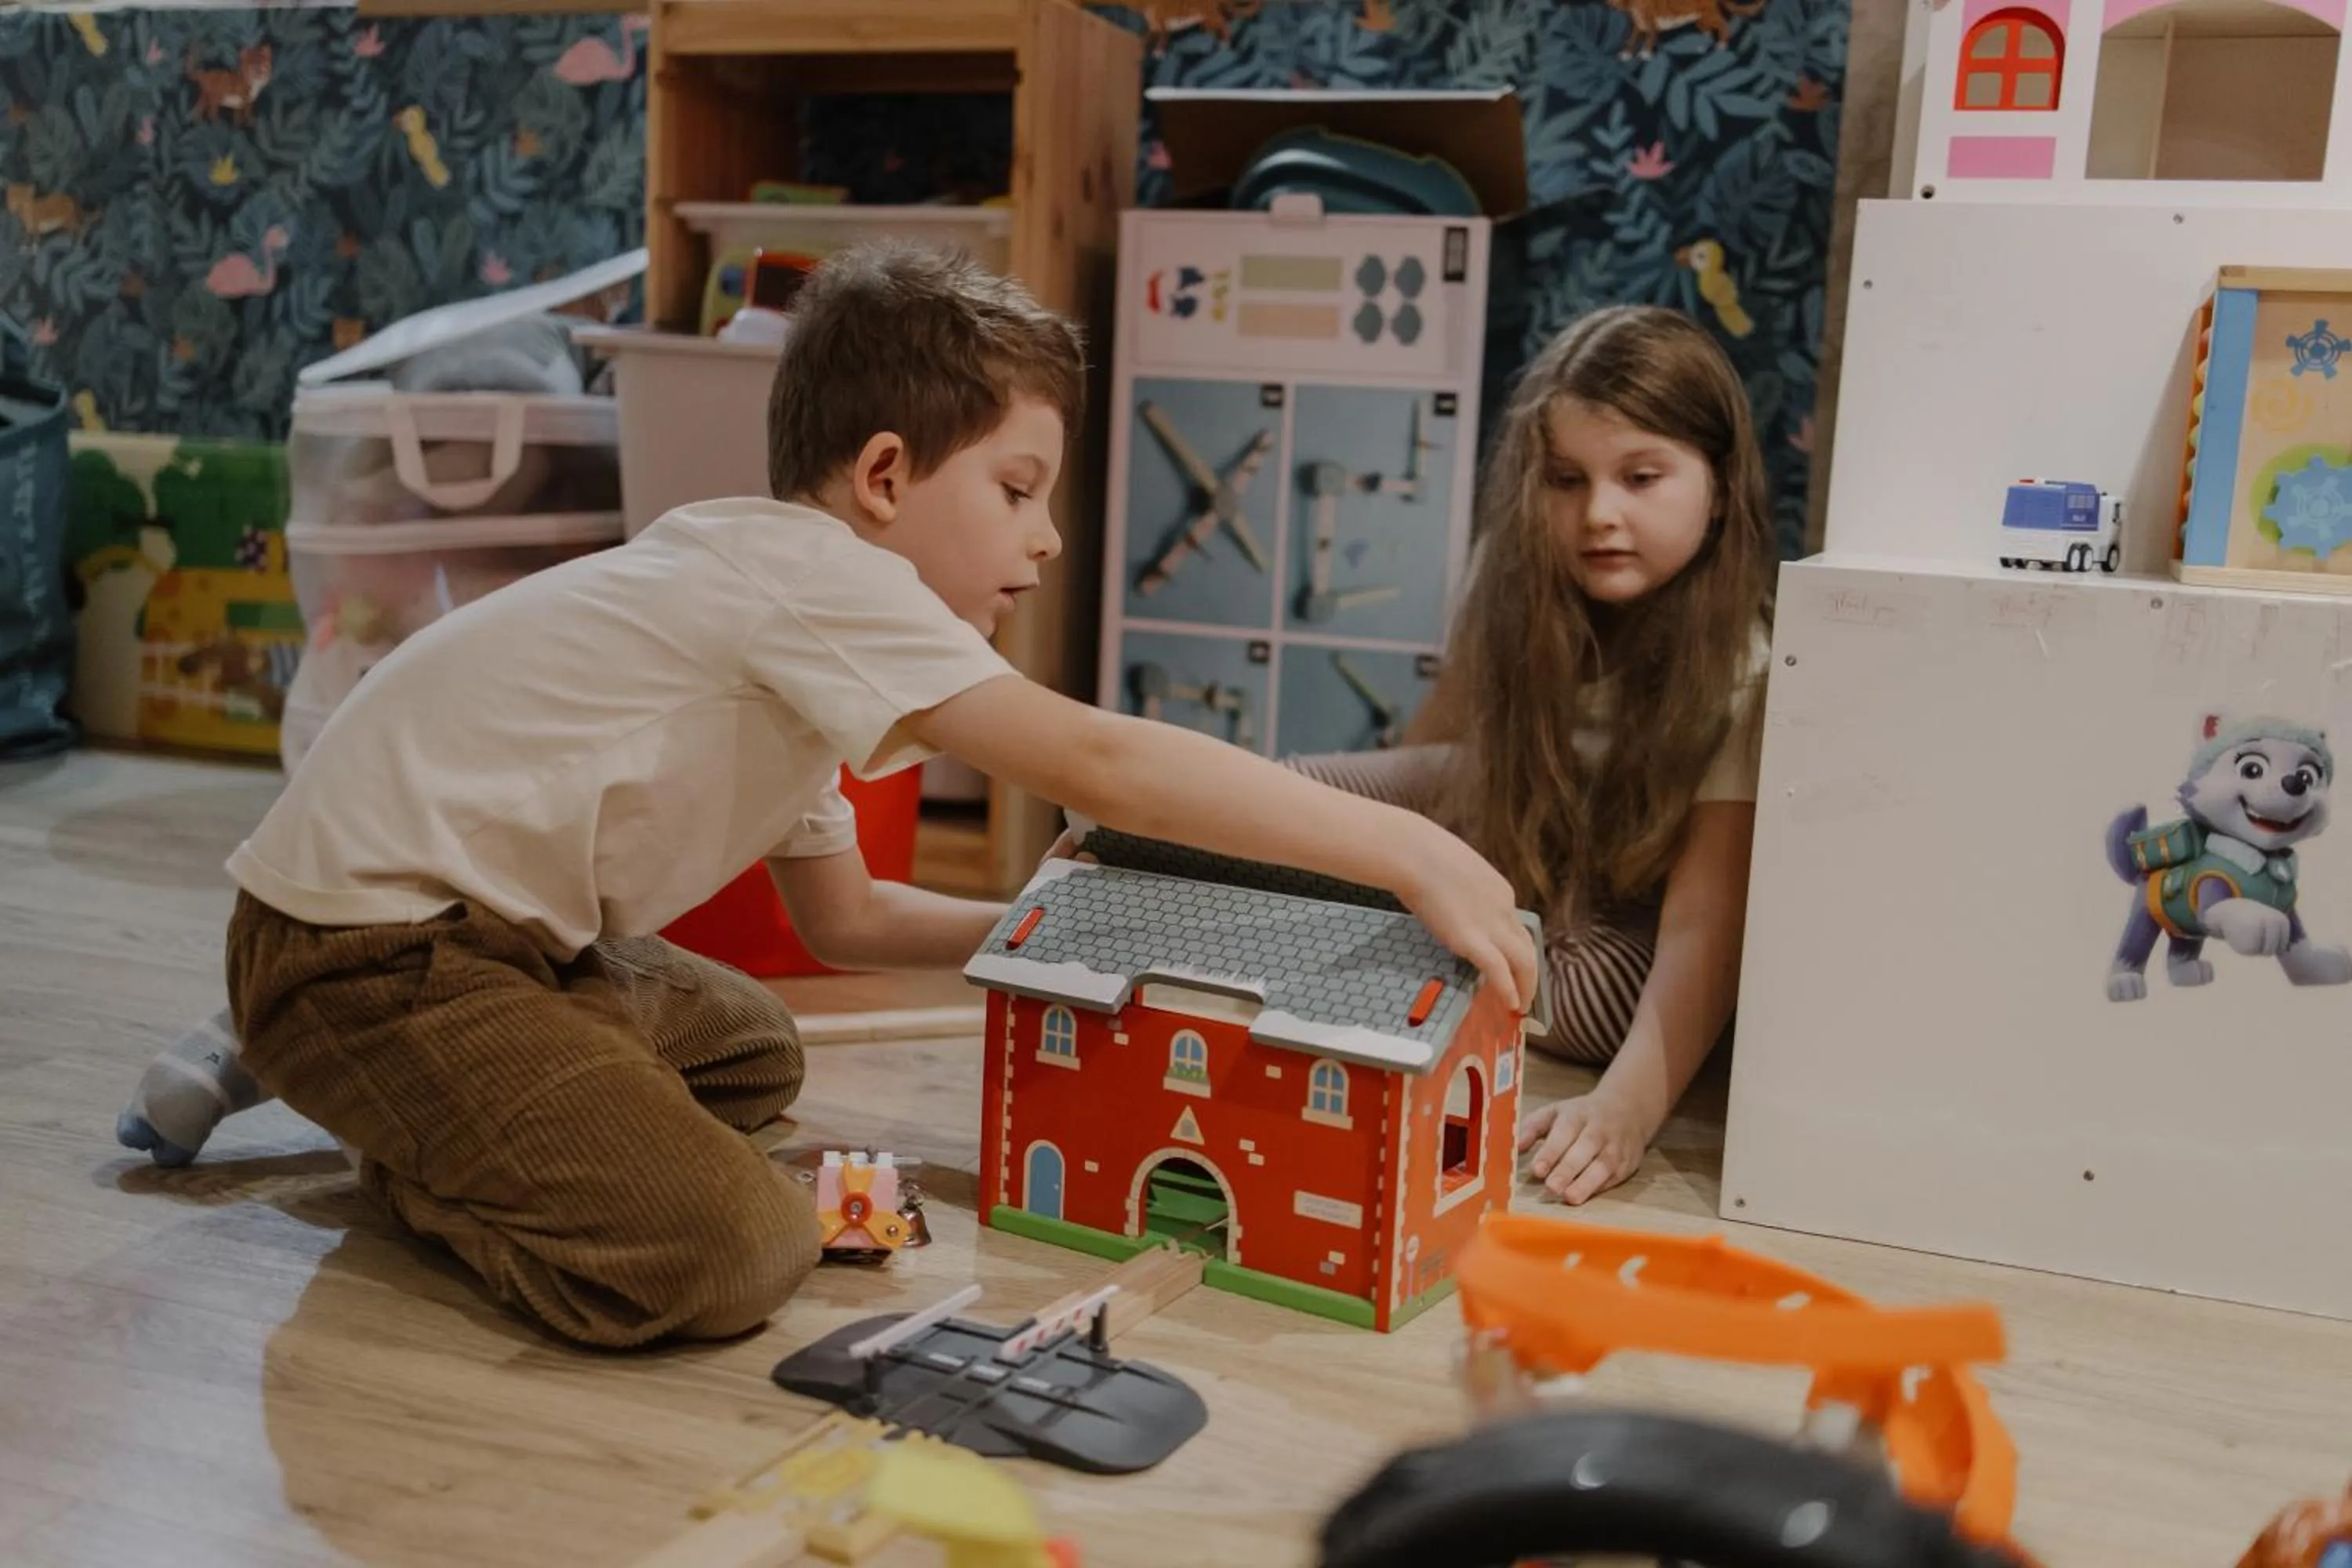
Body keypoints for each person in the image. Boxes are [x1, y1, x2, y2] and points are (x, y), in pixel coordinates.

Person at [130, 242, 1536, 1350]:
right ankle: (415, 1147)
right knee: (731, 1250)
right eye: (1020, 489)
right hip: (371, 957)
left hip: (477, 941)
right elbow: (1102, 761)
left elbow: (847, 921)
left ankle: (447, 1102)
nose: (1045, 541)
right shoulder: (820, 581)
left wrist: (1053, 933)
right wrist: (1401, 844)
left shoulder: (788, 623)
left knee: (751, 1054)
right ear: (881, 478)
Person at [1289, 304, 1774, 1207]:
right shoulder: (1514, 581)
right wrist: (1385, 861)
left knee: (1589, 996)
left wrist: (1626, 1109)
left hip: (1625, 910)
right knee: (1295, 793)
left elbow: (1707, 920)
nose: (1599, 514)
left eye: (1640, 477)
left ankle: (1405, 955)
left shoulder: (1744, 666)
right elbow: (1437, 751)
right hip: (1518, 837)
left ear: (1718, 482)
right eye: (1565, 479)